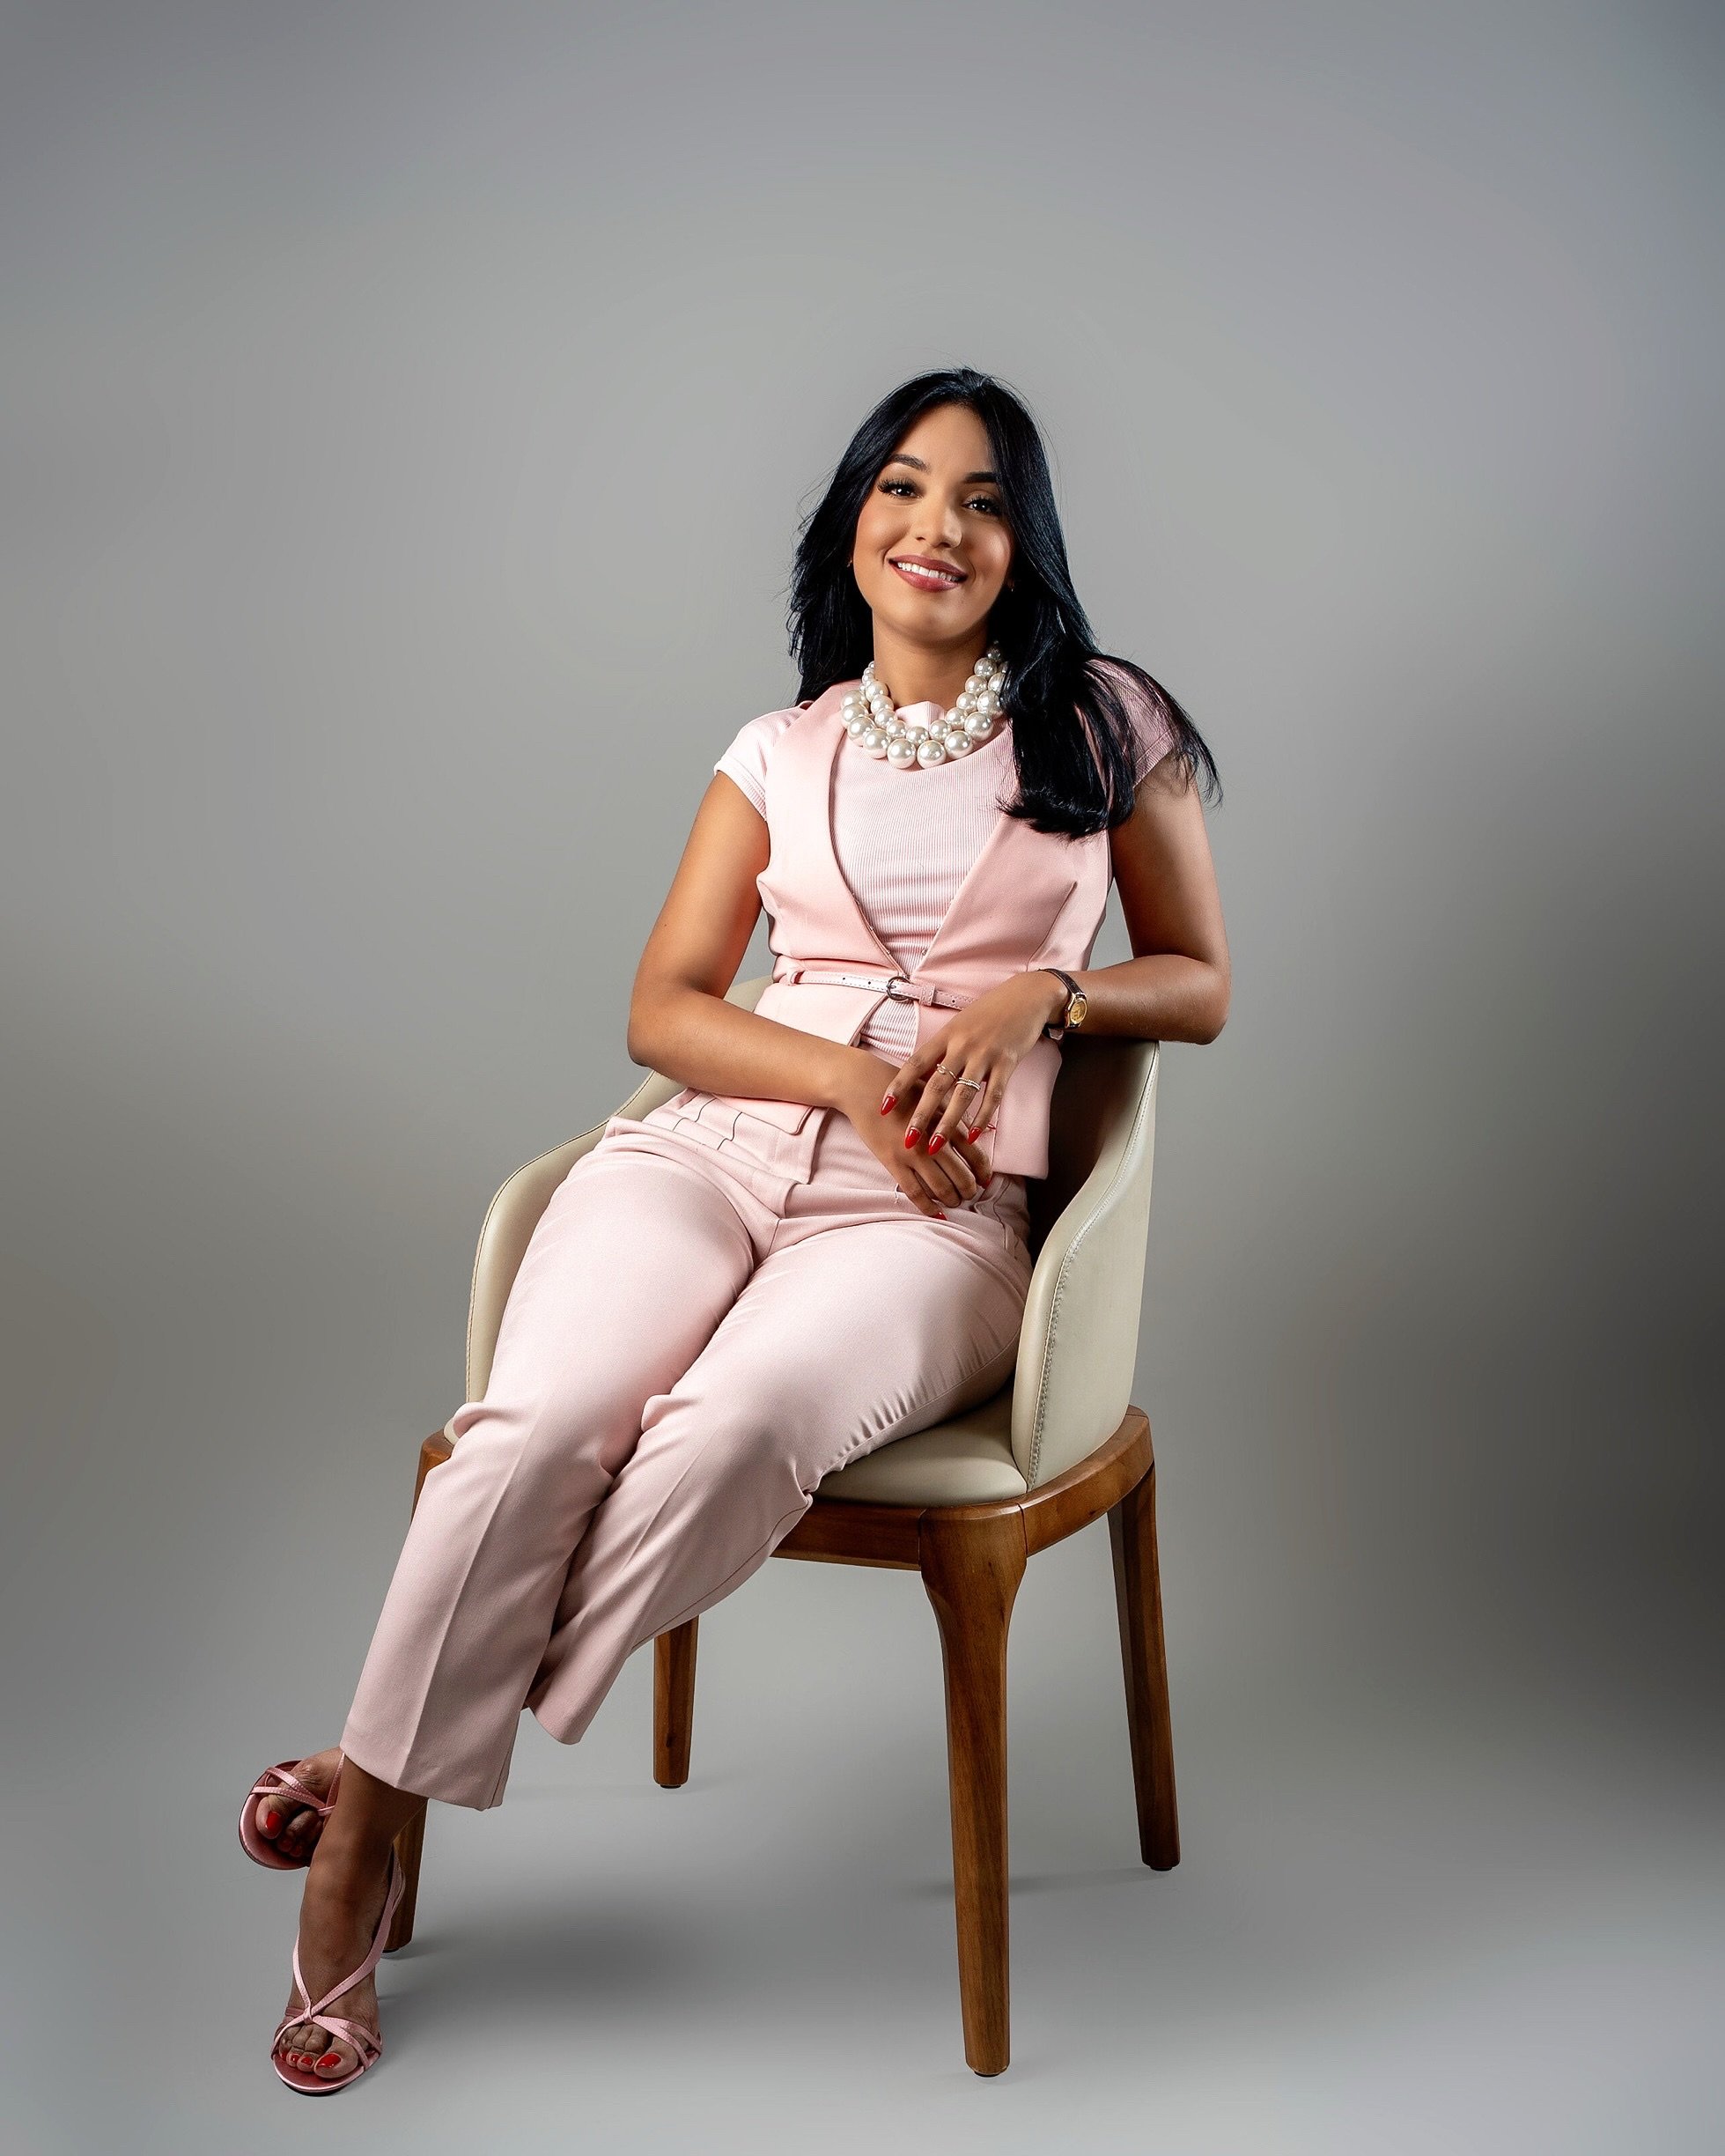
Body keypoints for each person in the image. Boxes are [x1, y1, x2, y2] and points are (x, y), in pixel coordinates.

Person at [244, 366, 1231, 2093]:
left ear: (1024, 543)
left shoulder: (1102, 722)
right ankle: (360, 1845)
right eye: (904, 489)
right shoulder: (776, 751)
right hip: (707, 1154)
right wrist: (844, 1081)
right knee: (535, 1426)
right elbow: (663, 1007)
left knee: (734, 1429)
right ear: (852, 519)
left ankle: (374, 1776)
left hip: (935, 1226)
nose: (937, 526)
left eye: (982, 500)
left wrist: (1045, 995)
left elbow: (1201, 985)